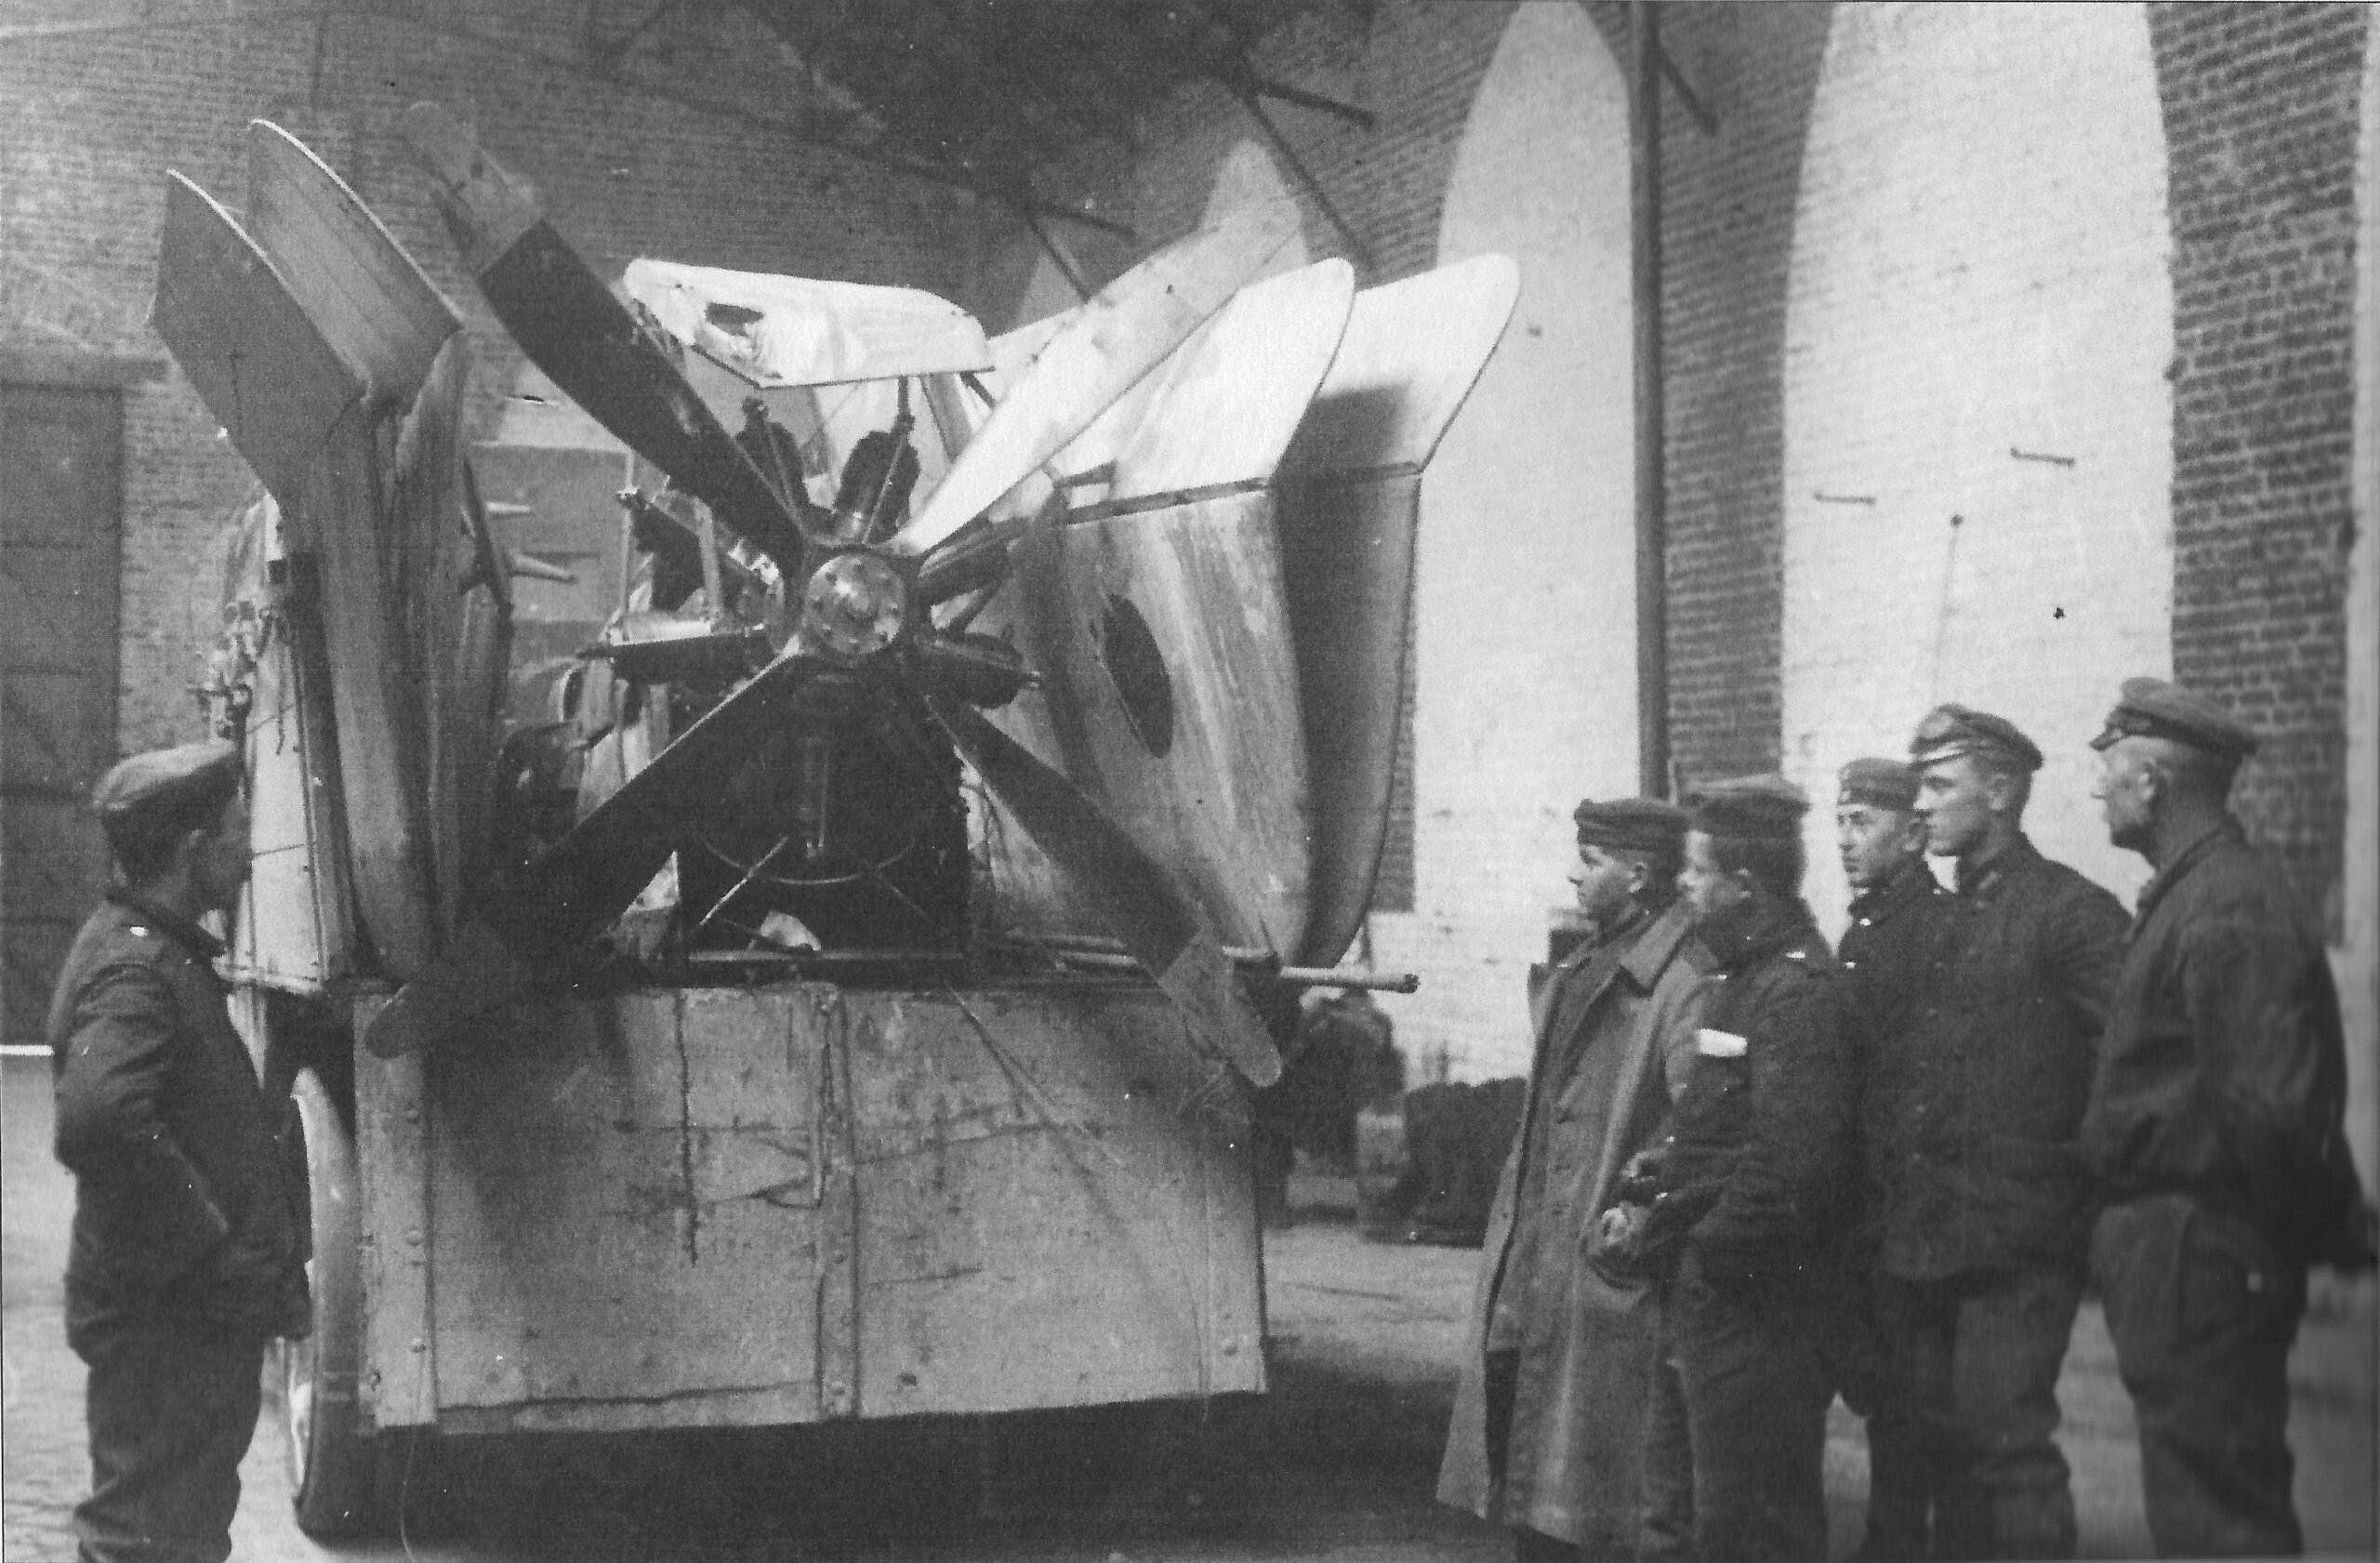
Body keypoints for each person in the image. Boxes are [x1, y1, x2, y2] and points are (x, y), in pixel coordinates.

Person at [2082, 678, 2372, 1556]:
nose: (2096, 789)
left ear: (2153, 782)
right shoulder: (2197, 896)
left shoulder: (2225, 907)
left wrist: (2312, 1235)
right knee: (2201, 1508)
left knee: (2219, 1519)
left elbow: (2275, 1113)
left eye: (2108, 768)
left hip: (2203, 1262)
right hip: (2184, 1261)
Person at [1872, 704, 2127, 1560]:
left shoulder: (2071, 914)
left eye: (1940, 784)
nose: (1921, 804)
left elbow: (2135, 1063)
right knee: (1947, 1454)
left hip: (2018, 1249)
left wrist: (2076, 1189)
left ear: (2002, 790)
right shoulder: (1944, 921)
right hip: (1930, 1242)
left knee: (2007, 1448)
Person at [47, 740, 311, 1563]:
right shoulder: (135, 967)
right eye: (238, 831)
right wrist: (213, 1245)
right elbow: (100, 1119)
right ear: (194, 848)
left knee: (178, 1531)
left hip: (179, 1309)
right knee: (143, 1536)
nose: (249, 852)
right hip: (167, 1316)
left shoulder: (151, 951)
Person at [1439, 798, 1711, 1561]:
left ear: (1639, 873)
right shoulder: (1583, 965)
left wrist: (1639, 1216)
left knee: (1592, 1504)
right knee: (1528, 1476)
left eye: (1591, 860)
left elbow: (1702, 1126)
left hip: (1601, 1277)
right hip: (1534, 1274)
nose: (1574, 873)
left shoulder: (1681, 981)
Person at [1630, 776, 1850, 1563]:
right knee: (1674, 1515)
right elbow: (1719, 1124)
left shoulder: (1796, 991)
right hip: (1710, 1295)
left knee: (1749, 1526)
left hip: (1754, 1307)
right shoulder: (1738, 976)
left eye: (1698, 869)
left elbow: (1789, 1168)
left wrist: (1705, 1255)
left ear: (1746, 883)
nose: (1684, 883)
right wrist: (1658, 1168)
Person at [1829, 757, 1944, 1560]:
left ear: (1912, 834)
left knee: (1906, 1410)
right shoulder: (1862, 930)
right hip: (1866, 1211)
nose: (1845, 839)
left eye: (1862, 822)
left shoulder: (1932, 931)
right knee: (1879, 1393)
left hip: (1905, 1213)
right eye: (1840, 821)